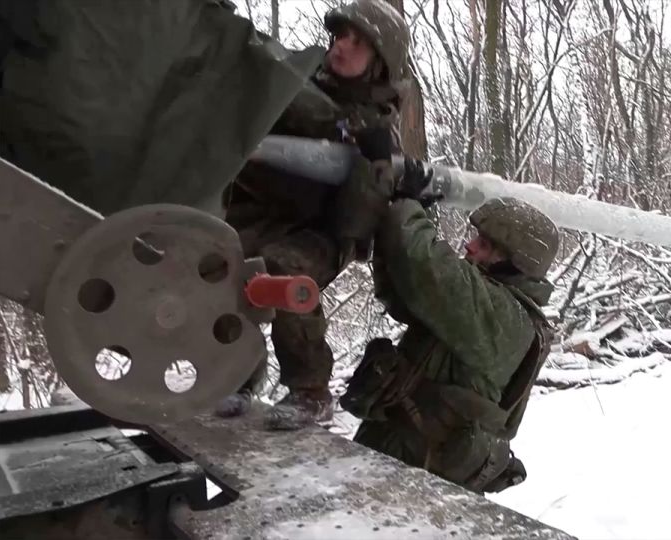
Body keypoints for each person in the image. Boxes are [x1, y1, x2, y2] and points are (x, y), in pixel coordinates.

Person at [214, 0, 419, 431]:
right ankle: (238, 375)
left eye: (357, 43)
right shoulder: (295, 83)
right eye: (340, 36)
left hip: (322, 233)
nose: (341, 47)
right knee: (222, 263)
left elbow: (363, 210)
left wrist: (376, 161)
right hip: (264, 212)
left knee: (285, 270)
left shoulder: (378, 127)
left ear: (379, 64)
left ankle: (310, 390)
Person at [339, 196, 559, 493]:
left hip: (415, 482)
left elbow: (423, 264)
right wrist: (402, 219)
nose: (470, 246)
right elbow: (408, 294)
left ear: (511, 262)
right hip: (406, 466)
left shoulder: (504, 315)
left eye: (484, 243)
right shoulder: (491, 305)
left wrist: (408, 202)